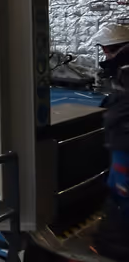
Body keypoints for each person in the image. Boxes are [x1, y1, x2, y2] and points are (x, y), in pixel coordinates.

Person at [90, 24, 129, 259]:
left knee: (122, 192)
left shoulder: (126, 72)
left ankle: (116, 245)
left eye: (106, 51)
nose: (105, 57)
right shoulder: (122, 73)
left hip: (124, 145)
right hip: (120, 143)